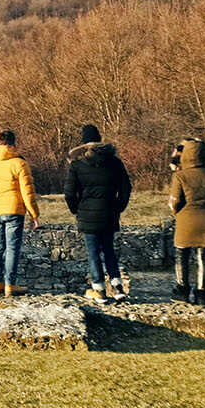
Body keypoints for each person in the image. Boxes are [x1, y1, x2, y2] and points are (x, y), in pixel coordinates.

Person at [64, 125, 130, 304]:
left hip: (87, 214)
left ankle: (99, 288)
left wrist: (76, 210)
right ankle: (117, 287)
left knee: (93, 252)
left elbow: (69, 193)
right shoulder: (115, 163)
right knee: (109, 249)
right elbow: (125, 189)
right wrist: (118, 207)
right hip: (109, 212)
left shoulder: (77, 165)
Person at [166, 139, 205, 306]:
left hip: (186, 220)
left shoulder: (180, 176)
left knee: (182, 255)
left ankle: (182, 290)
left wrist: (176, 212)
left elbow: (175, 202)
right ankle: (201, 293)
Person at [0, 129, 39, 297]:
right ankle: (10, 285)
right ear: (14, 143)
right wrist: (34, 214)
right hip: (14, 210)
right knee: (12, 248)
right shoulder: (19, 163)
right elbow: (27, 191)